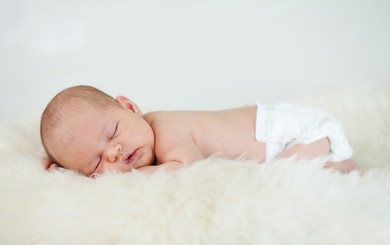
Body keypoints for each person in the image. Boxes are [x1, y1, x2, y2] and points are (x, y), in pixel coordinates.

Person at [40, 85, 357, 176]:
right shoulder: (144, 141)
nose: (113, 152)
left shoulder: (165, 129)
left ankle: (343, 164)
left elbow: (186, 169)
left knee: (294, 176)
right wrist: (68, 170)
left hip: (294, 132)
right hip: (278, 134)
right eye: (96, 162)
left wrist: (101, 178)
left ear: (130, 107)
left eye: (112, 133)